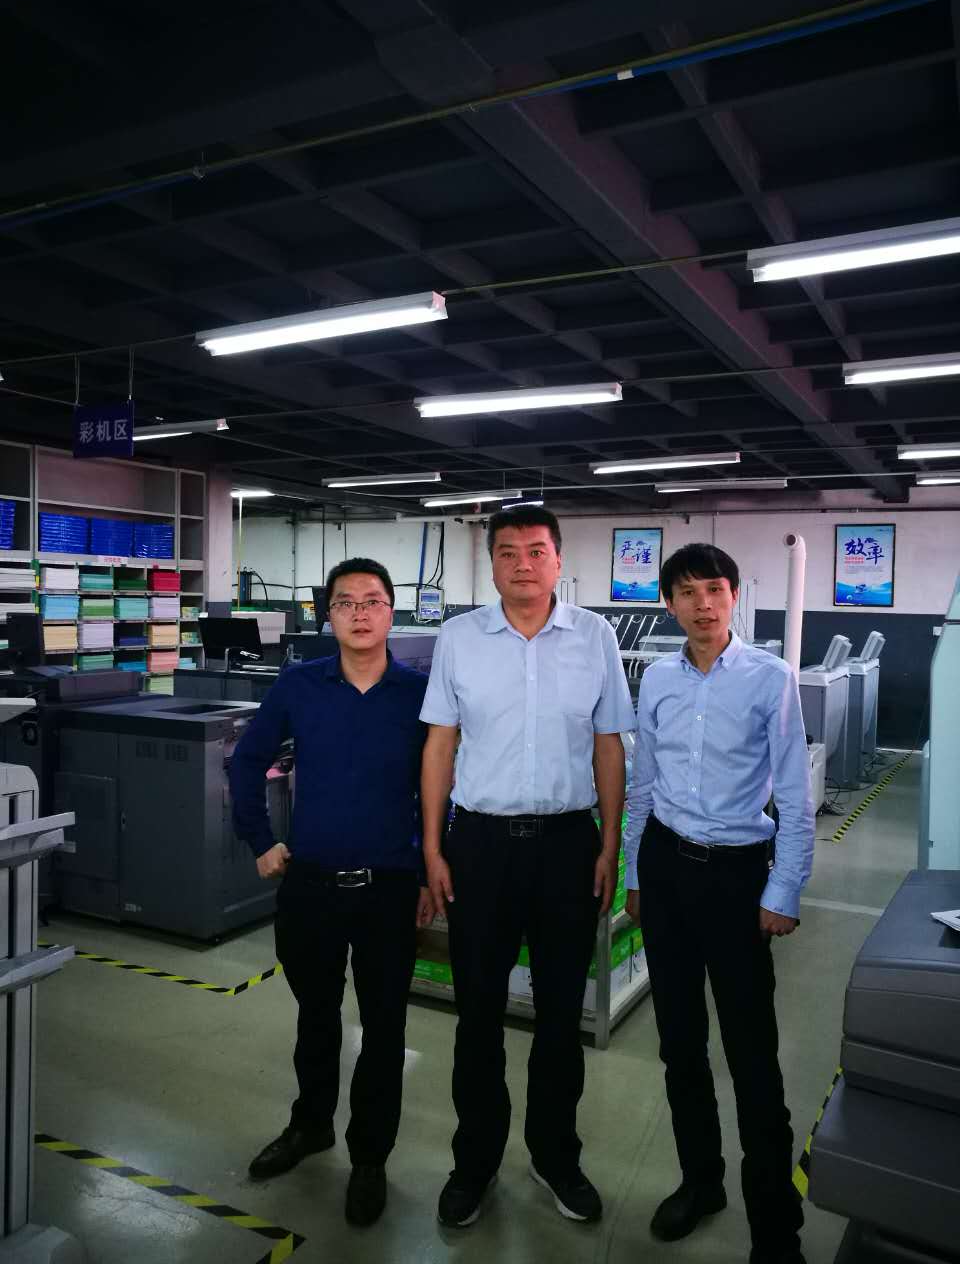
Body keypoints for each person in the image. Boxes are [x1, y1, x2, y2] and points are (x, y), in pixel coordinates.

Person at [419, 505, 635, 1229]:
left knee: (559, 1014)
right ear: (491, 564)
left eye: (536, 551)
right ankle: (474, 1163)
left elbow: (609, 744)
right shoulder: (459, 638)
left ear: (559, 560)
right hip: (479, 847)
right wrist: (432, 848)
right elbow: (440, 745)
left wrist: (610, 844)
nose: (522, 563)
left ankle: (555, 1154)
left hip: (568, 845)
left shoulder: (595, 636)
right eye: (507, 551)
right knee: (477, 1014)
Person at [623, 543, 815, 1264]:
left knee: (752, 1056)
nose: (702, 604)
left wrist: (783, 888)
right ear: (669, 603)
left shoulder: (770, 677)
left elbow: (794, 793)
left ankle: (775, 1228)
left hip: (737, 880)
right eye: (687, 592)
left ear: (734, 595)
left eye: (714, 589)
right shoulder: (657, 679)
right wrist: (637, 875)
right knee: (679, 1046)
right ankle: (701, 1182)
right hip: (666, 872)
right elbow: (643, 783)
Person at [231, 556, 433, 1228]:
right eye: (345, 602)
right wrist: (260, 839)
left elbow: (443, 787)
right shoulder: (300, 683)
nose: (359, 613)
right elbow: (245, 759)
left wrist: (430, 868)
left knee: (384, 1027)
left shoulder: (419, 693)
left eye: (372, 601)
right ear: (328, 615)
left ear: (391, 612)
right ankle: (311, 1125)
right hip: (311, 885)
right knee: (315, 1017)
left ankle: (370, 1156)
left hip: (389, 889)